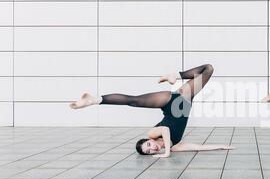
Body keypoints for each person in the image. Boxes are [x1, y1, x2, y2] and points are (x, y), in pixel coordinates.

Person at [70, 64, 234, 157]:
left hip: (169, 102)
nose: (152, 148)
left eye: (148, 145)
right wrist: (221, 146)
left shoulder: (152, 134)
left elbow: (165, 129)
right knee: (209, 69)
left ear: (148, 140)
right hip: (184, 101)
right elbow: (197, 147)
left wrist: (166, 153)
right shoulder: (175, 146)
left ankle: (94, 100)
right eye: (149, 151)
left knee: (133, 101)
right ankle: (175, 75)